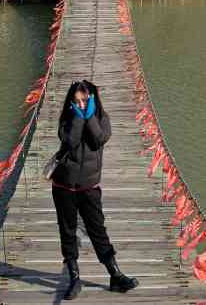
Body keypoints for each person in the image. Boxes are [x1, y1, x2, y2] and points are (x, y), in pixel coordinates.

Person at [52, 79, 139, 299]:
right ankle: (74, 278)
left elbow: (99, 139)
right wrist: (79, 118)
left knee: (97, 230)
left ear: (92, 98)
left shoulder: (101, 118)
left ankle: (115, 275)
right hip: (64, 186)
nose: (81, 104)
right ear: (71, 101)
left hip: (89, 187)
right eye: (77, 100)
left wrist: (89, 116)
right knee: (68, 231)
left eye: (85, 100)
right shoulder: (67, 118)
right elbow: (70, 142)